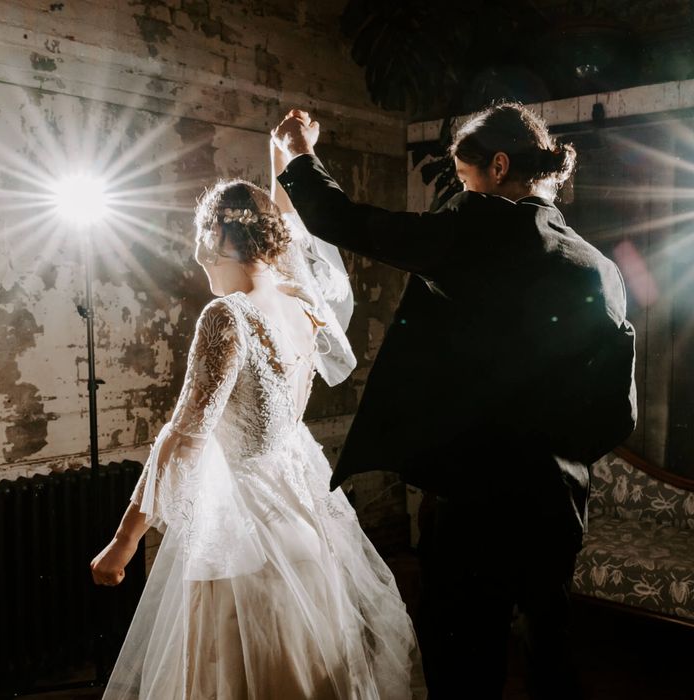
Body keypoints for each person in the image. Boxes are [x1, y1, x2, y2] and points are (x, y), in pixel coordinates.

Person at [271, 103, 637, 699]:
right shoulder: (599, 268)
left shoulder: (476, 230)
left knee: (463, 660)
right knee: (550, 652)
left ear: (498, 167)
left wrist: (299, 152)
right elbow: (617, 413)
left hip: (473, 502)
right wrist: (557, 456)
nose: (461, 194)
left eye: (464, 181)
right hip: (556, 502)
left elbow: (349, 221)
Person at [90, 141, 426, 699]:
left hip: (243, 536)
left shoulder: (228, 315)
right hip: (304, 523)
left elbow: (185, 437)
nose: (199, 257)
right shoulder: (301, 303)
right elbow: (286, 225)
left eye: (202, 241)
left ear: (219, 237)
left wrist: (124, 542)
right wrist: (284, 161)